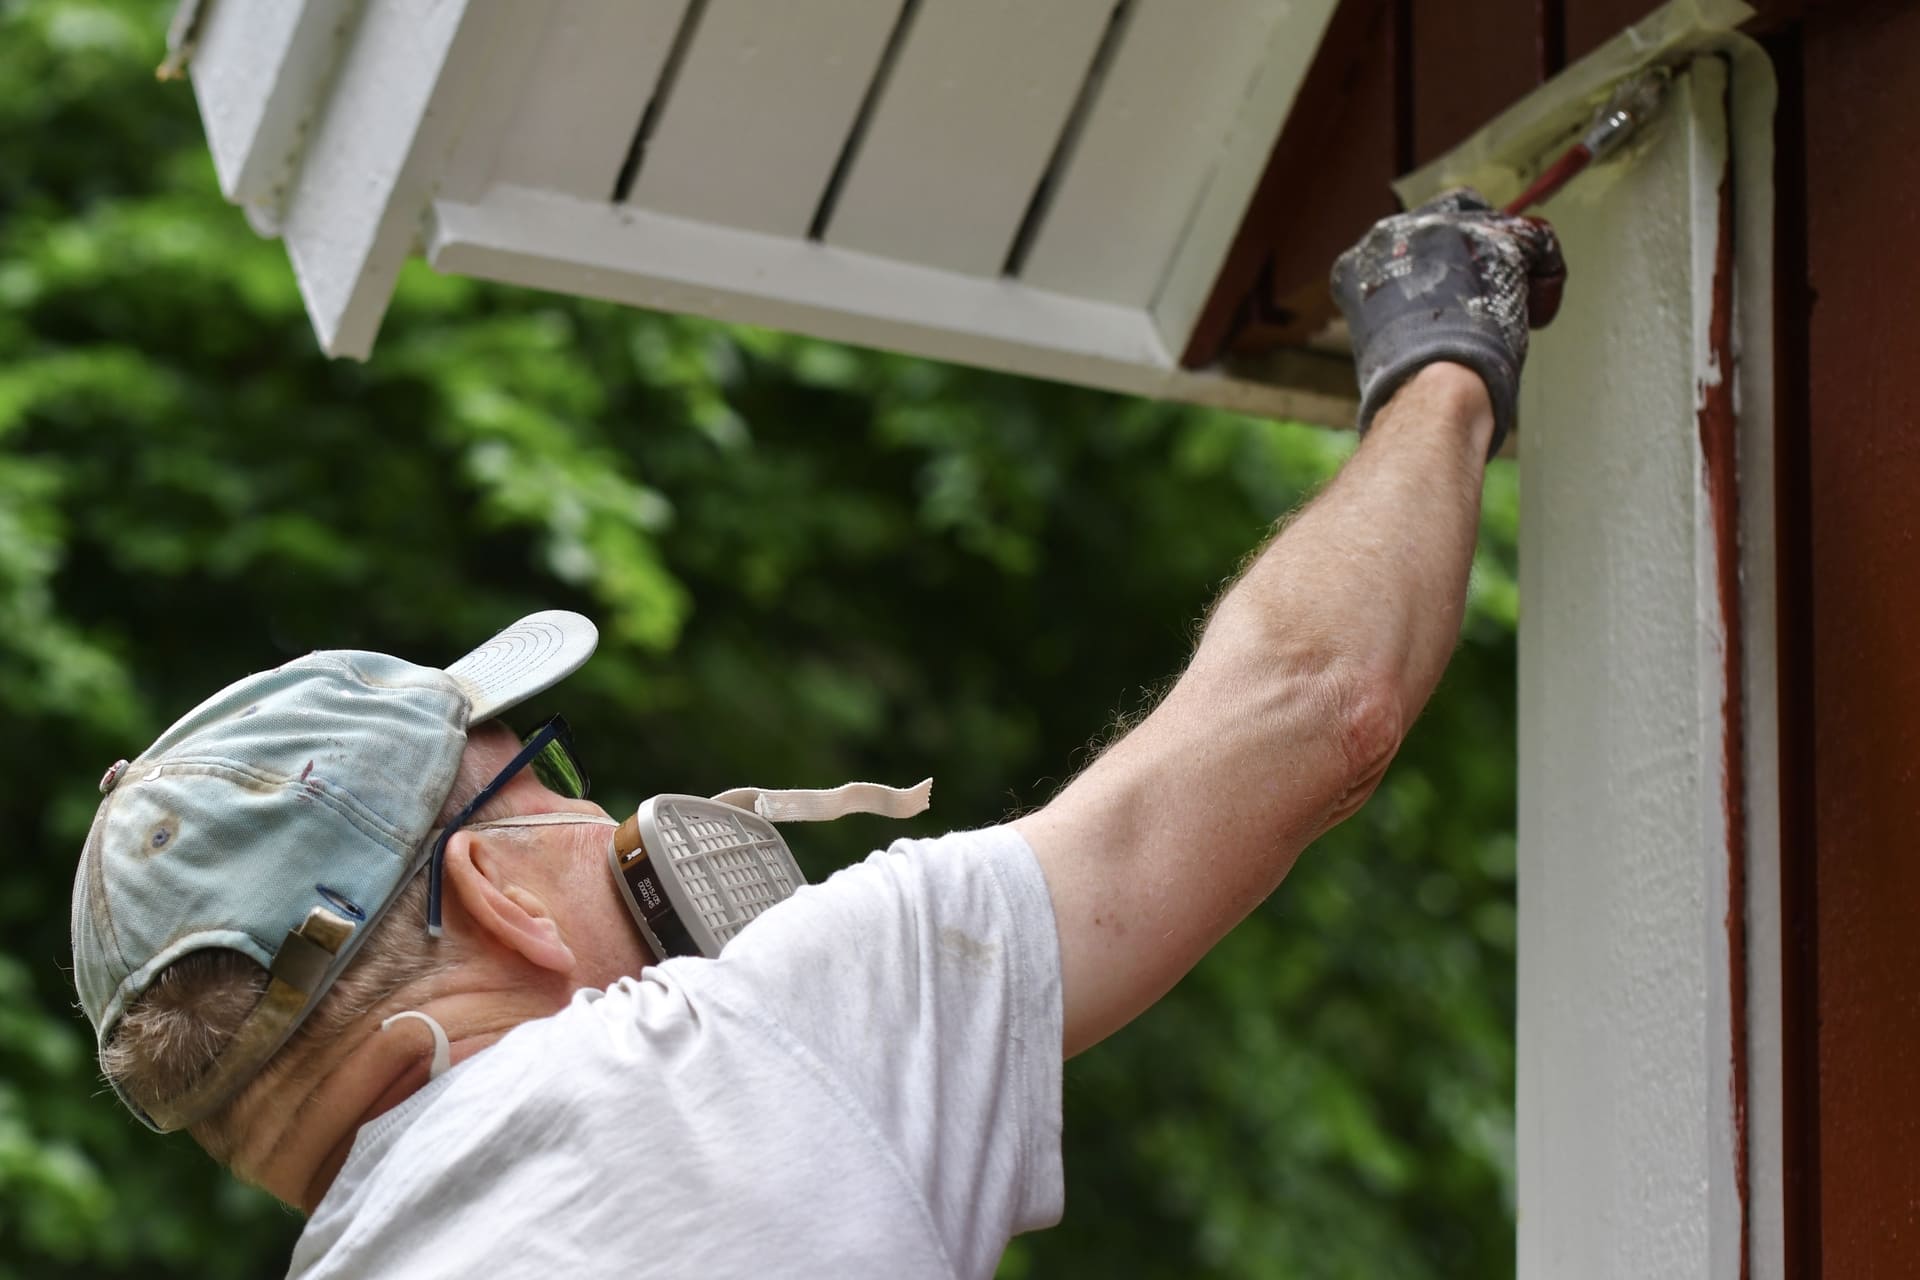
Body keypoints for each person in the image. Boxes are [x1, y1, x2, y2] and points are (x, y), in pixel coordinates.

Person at [70, 192, 1564, 1278]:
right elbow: (1320, 703)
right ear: (495, 893)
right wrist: (1441, 351)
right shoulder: (721, 1056)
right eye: (550, 782)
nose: (612, 824)